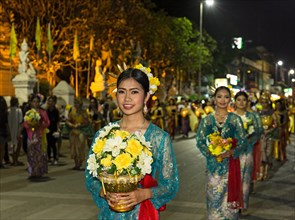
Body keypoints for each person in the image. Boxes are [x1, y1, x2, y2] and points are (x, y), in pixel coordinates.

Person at [85, 66, 179, 219]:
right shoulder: (104, 135)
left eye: (134, 92)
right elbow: (90, 178)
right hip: (109, 214)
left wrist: (145, 193)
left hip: (141, 213)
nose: (127, 98)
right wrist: (104, 191)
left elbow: (170, 185)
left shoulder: (158, 138)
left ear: (146, 96)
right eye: (121, 92)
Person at [196, 86, 248, 219]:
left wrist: (230, 152)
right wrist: (209, 152)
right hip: (213, 169)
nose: (222, 100)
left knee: (229, 206)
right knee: (213, 202)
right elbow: (200, 141)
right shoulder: (206, 120)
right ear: (214, 99)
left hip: (231, 167)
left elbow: (243, 141)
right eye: (219, 96)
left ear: (230, 100)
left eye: (226, 97)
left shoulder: (235, 119)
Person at [233, 91, 262, 214]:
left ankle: (242, 205)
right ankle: (233, 203)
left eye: (243, 100)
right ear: (235, 102)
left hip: (247, 151)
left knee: (245, 179)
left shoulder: (253, 116)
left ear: (247, 102)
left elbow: (258, 131)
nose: (241, 102)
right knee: (234, 179)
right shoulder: (230, 117)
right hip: (233, 153)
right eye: (238, 100)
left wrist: (249, 139)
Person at [23, 94, 50, 178]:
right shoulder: (28, 113)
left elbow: (47, 122)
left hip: (40, 134)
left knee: (40, 153)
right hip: (31, 134)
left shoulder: (42, 112)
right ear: (31, 102)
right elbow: (25, 123)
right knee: (31, 153)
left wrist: (40, 125)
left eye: (37, 102)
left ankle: (39, 171)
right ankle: (31, 172)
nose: (35, 103)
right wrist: (31, 125)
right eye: (34, 101)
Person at [66, 97, 92, 170]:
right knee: (73, 148)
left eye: (77, 103)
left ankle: (80, 162)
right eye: (75, 103)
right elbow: (68, 120)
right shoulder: (72, 111)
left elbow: (87, 122)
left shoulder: (84, 112)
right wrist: (70, 124)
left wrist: (80, 125)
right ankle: (76, 163)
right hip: (73, 131)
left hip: (81, 132)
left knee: (80, 147)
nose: (76, 105)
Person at [8, 97, 24, 166]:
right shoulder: (19, 111)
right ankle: (15, 160)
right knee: (18, 145)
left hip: (10, 130)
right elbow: (21, 122)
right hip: (17, 130)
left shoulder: (8, 111)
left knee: (11, 146)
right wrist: (19, 131)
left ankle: (14, 160)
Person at [46, 96, 60, 165]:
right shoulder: (47, 110)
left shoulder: (56, 111)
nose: (50, 103)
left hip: (54, 128)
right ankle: (49, 158)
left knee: (53, 144)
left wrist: (58, 129)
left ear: (54, 103)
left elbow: (57, 121)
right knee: (48, 144)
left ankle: (55, 158)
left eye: (51, 101)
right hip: (47, 129)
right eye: (49, 101)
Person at [0, 97, 9, 168]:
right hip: (3, 130)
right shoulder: (5, 112)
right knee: (2, 147)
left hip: (2, 129)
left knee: (2, 147)